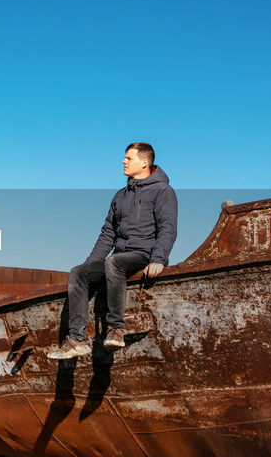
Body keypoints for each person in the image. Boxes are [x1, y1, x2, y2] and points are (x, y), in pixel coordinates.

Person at [48, 142, 178, 359]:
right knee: (79, 272)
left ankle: (116, 329)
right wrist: (91, 263)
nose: (123, 162)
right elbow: (108, 233)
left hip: (142, 255)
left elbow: (168, 227)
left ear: (144, 162)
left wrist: (159, 259)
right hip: (118, 257)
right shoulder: (121, 196)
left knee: (114, 263)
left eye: (129, 158)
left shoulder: (163, 191)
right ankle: (77, 340)